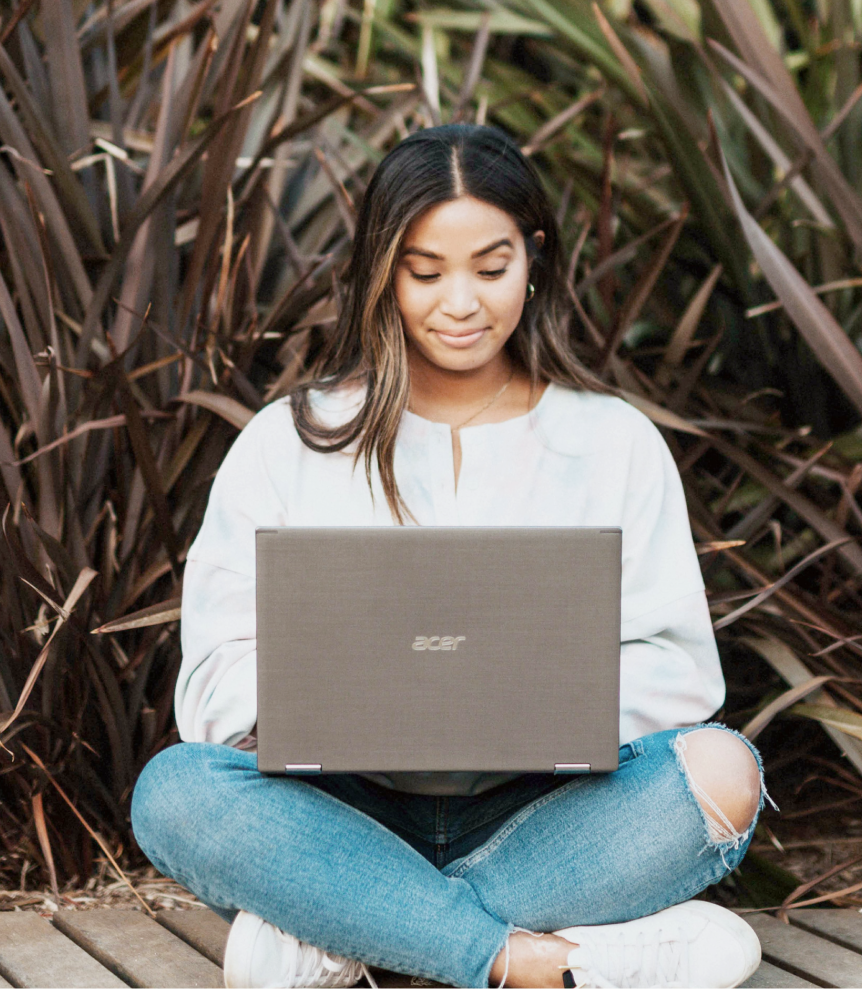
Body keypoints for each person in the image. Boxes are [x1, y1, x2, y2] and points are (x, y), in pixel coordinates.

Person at [131, 124, 769, 989]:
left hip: (548, 813)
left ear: (534, 256)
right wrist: (335, 711)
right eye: (425, 272)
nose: (460, 303)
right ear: (381, 270)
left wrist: (538, 711)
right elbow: (213, 675)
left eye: (490, 267)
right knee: (173, 791)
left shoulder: (614, 442)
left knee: (725, 772)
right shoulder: (291, 441)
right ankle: (522, 958)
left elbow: (681, 676)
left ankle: (353, 935)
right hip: (342, 811)